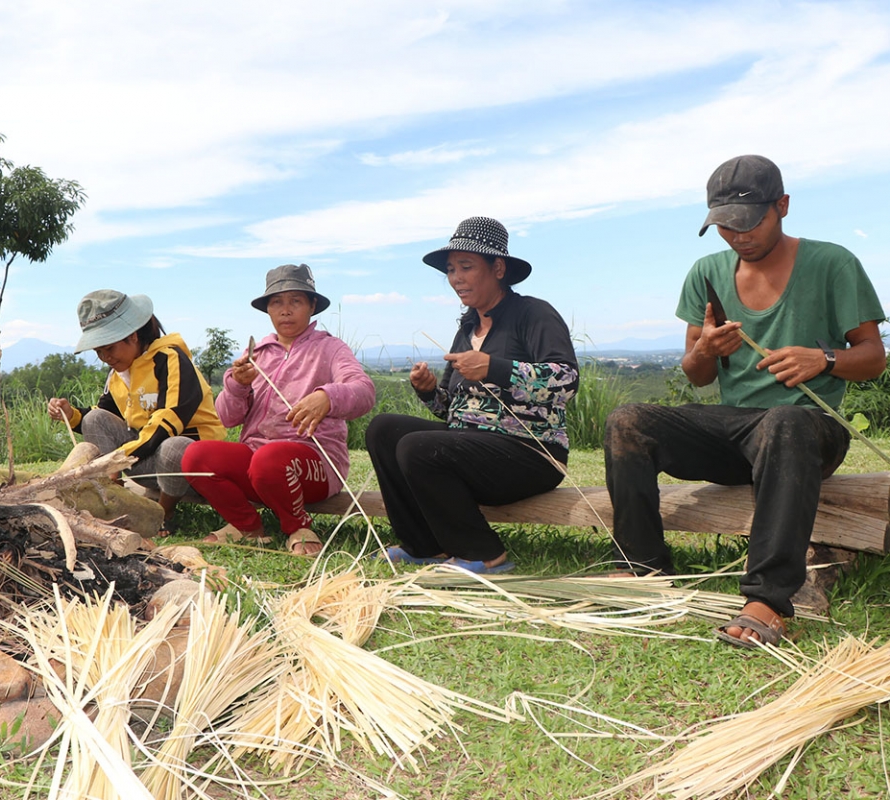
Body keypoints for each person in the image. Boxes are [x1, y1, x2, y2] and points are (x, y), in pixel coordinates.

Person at [603, 155, 886, 648]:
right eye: (725, 228)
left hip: (810, 429)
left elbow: (873, 358)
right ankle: (643, 567)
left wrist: (823, 358)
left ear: (783, 206)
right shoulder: (706, 272)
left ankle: (768, 600)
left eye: (750, 223)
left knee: (785, 419)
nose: (739, 237)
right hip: (735, 430)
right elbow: (697, 376)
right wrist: (706, 350)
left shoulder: (833, 262)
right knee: (628, 421)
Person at [365, 217, 579, 574]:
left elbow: (566, 382)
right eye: (451, 270)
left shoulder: (533, 313)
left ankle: (483, 553)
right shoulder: (467, 327)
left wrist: (495, 368)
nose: (456, 278)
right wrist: (429, 390)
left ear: (498, 268)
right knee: (384, 429)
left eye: (466, 267)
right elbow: (451, 413)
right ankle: (423, 545)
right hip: (473, 448)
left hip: (532, 454)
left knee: (417, 447)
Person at [183, 264, 376, 556]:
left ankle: (297, 525)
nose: (285, 310)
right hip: (256, 462)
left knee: (269, 460)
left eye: (295, 301)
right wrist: (237, 385)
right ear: (268, 310)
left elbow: (364, 391)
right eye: (277, 302)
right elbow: (226, 417)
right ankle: (247, 526)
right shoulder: (256, 354)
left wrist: (327, 396)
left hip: (314, 465)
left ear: (312, 306)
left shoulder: (331, 349)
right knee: (196, 456)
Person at [47, 289, 225, 535]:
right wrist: (72, 414)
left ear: (132, 336)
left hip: (191, 468)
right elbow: (104, 416)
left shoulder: (170, 359)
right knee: (94, 418)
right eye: (99, 352)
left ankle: (162, 514)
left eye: (109, 348)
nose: (105, 357)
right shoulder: (118, 373)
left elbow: (167, 421)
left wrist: (115, 459)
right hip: (147, 461)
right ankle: (115, 500)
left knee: (173, 446)